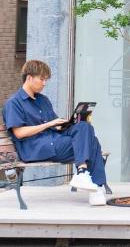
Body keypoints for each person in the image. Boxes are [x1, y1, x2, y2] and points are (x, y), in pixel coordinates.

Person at [2, 60, 107, 206]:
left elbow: (54, 125)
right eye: (42, 79)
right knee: (91, 142)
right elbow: (19, 133)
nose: (44, 83)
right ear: (29, 78)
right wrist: (49, 124)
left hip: (54, 140)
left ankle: (83, 174)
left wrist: (64, 124)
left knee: (84, 126)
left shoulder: (43, 100)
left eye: (46, 80)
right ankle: (97, 187)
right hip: (35, 147)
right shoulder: (14, 102)